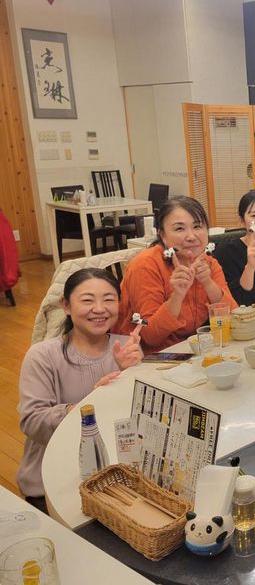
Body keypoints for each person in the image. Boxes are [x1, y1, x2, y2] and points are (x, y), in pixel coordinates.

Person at [18, 268, 144, 511]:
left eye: (109, 299)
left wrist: (133, 375)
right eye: (87, 300)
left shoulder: (126, 347)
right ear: (66, 306)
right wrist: (91, 404)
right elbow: (32, 421)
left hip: (116, 478)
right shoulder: (43, 356)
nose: (99, 309)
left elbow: (137, 418)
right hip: (54, 480)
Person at [116, 196, 237, 353]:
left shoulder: (209, 263)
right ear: (163, 236)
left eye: (197, 226)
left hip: (191, 349)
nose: (191, 236)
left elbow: (234, 316)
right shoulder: (145, 265)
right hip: (141, 355)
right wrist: (177, 295)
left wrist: (208, 282)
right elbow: (150, 336)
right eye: (180, 229)